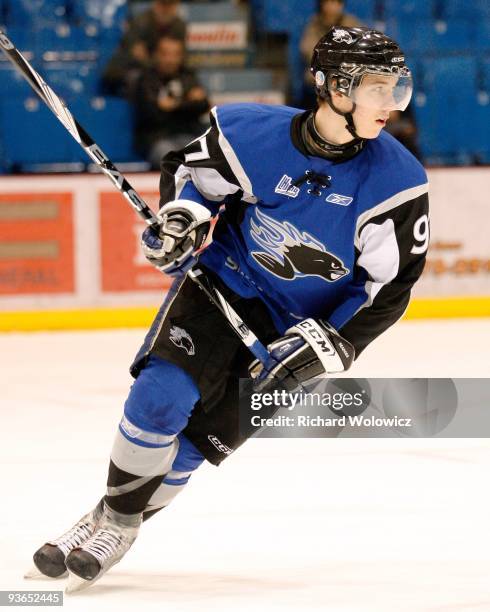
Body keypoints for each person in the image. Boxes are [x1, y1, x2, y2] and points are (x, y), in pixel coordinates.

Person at [28, 27, 429, 592]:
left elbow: (389, 288)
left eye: (396, 87)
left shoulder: (398, 183)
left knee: (199, 443)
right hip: (226, 286)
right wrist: (183, 219)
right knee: (160, 399)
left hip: (299, 332)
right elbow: (190, 176)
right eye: (377, 88)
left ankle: (104, 516)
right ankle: (119, 524)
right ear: (336, 88)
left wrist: (331, 346)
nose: (392, 103)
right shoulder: (250, 133)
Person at [133, 34, 210, 169]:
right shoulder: (146, 79)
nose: (170, 60)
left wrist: (172, 105)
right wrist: (187, 101)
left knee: (209, 155)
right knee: (172, 159)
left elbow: (203, 105)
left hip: (189, 136)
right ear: (156, 55)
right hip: (157, 140)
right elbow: (153, 113)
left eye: (176, 54)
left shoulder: (188, 76)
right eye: (165, 54)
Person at [102, 0, 187, 98]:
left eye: (170, 5)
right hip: (130, 70)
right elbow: (135, 57)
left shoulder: (179, 26)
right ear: (156, 4)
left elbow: (180, 59)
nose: (166, 9)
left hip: (159, 72)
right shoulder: (141, 22)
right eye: (163, 4)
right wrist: (163, 60)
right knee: (141, 78)